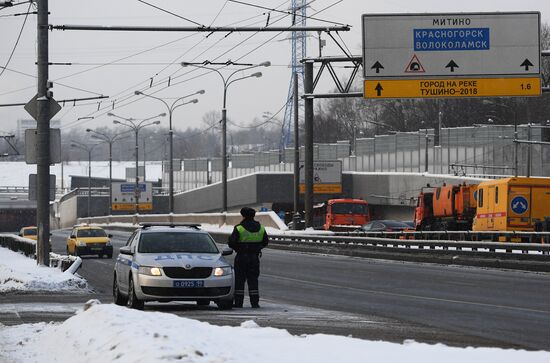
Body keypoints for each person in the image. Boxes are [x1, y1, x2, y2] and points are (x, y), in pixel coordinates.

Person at [228, 207, 268, 308]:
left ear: (243, 215)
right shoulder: (261, 228)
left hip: (241, 257)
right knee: (253, 280)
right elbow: (265, 242)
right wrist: (256, 248)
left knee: (239, 280)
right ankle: (254, 303)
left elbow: (231, 243)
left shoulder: (239, 228)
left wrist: (240, 248)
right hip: (254, 258)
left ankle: (238, 302)